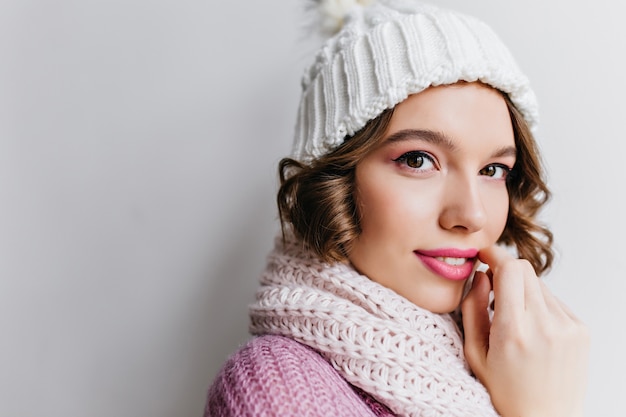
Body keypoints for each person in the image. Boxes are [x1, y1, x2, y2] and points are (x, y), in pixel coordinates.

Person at [205, 1, 589, 416]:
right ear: (333, 181)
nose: (472, 215)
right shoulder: (278, 389)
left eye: (493, 169)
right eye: (418, 160)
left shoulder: (502, 362)